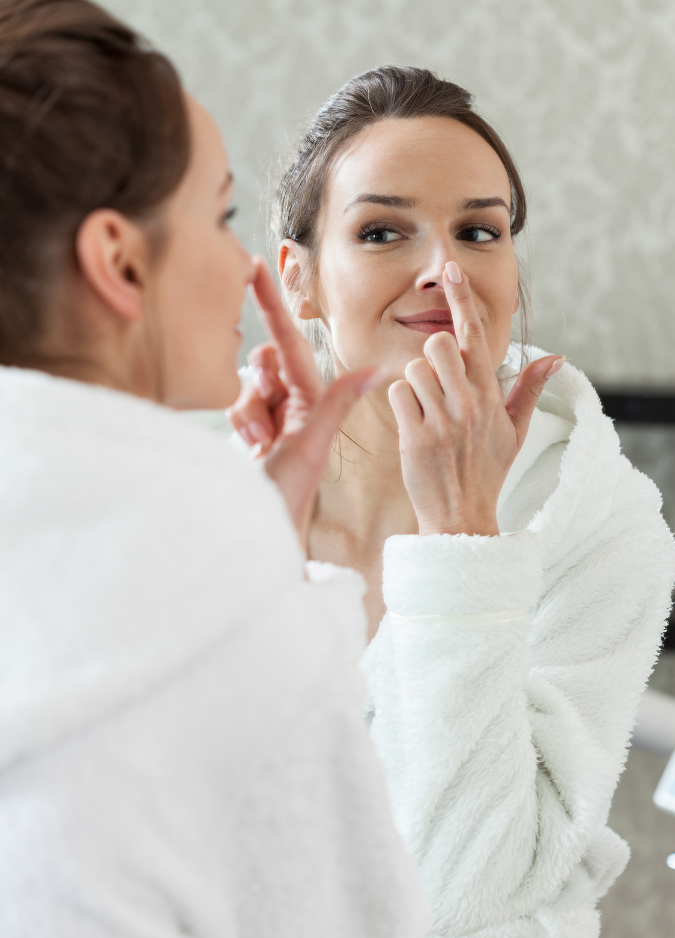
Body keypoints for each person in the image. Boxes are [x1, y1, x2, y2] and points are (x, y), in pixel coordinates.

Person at [0, 7, 431, 937]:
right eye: (220, 214)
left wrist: (252, 548)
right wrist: (249, 582)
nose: (244, 266)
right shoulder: (231, 628)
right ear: (119, 261)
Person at [230, 66, 675, 938]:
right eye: (382, 231)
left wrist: (462, 545)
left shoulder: (597, 522)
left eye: (477, 231)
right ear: (300, 276)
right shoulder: (217, 483)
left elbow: (461, 893)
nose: (444, 270)